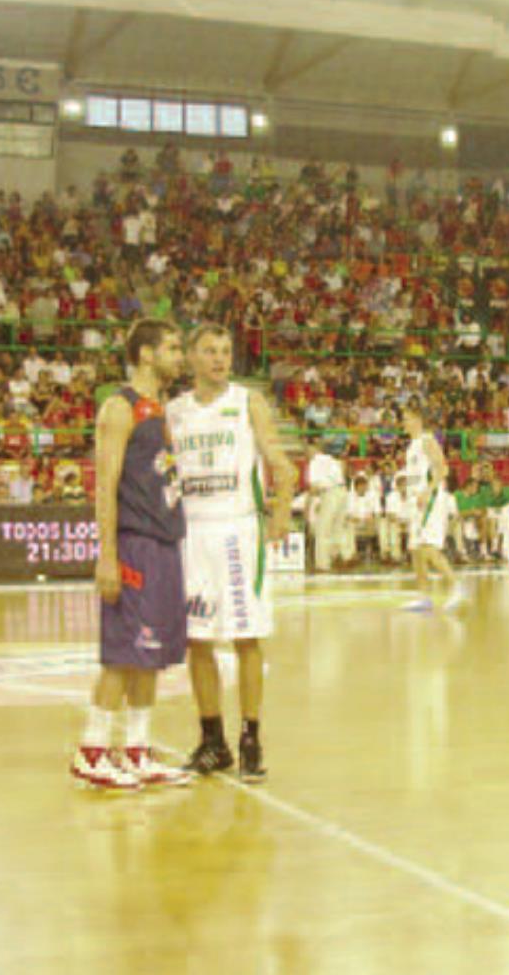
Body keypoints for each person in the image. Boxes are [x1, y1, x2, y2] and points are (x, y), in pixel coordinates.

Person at [168, 323, 297, 782]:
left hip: (238, 531)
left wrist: (280, 510)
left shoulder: (247, 401)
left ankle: (251, 738)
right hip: (191, 533)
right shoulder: (175, 412)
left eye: (225, 351)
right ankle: (211, 740)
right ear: (190, 358)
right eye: (209, 351)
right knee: (197, 639)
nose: (220, 358)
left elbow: (282, 464)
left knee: (246, 637)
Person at [70, 319, 192, 791]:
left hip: (163, 541)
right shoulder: (119, 409)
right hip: (134, 542)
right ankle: (92, 750)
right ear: (146, 354)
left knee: (151, 654)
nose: (179, 356)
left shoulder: (158, 409)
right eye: (173, 347)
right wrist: (107, 555)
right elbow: (105, 485)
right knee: (123, 653)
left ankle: (137, 750)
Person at [403, 408, 466, 607]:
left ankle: (457, 587)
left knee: (428, 548)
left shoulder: (427, 440)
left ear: (418, 420)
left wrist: (428, 491)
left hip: (430, 499)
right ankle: (424, 598)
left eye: (407, 418)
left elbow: (442, 468)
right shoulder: (411, 446)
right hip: (416, 501)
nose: (403, 422)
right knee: (415, 550)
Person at [304, 442, 345, 572]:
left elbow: (314, 487)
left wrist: (308, 504)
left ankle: (323, 564)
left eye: (307, 450)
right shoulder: (332, 460)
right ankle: (338, 557)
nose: (306, 453)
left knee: (322, 529)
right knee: (337, 528)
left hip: (329, 493)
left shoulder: (315, 462)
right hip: (342, 492)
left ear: (313, 449)